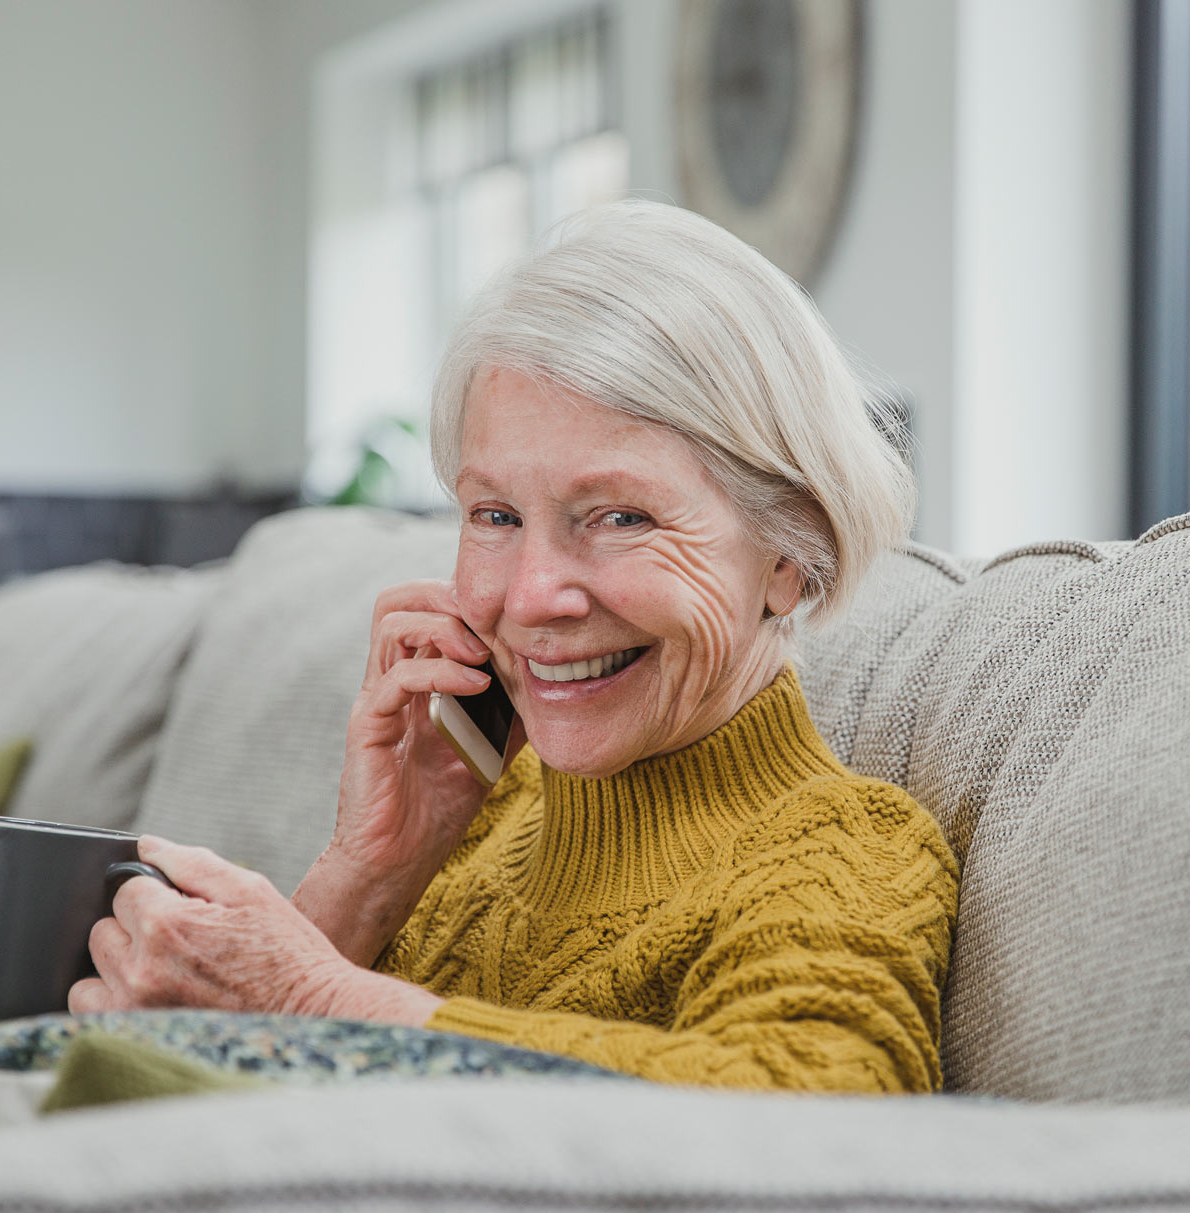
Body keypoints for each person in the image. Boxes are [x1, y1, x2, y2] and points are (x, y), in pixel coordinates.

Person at [69, 201, 961, 1093]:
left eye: (619, 517)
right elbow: (216, 1143)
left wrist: (313, 994)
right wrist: (367, 875)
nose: (531, 598)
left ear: (790, 556)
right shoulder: (477, 811)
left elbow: (819, 1120)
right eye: (494, 515)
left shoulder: (847, 850)